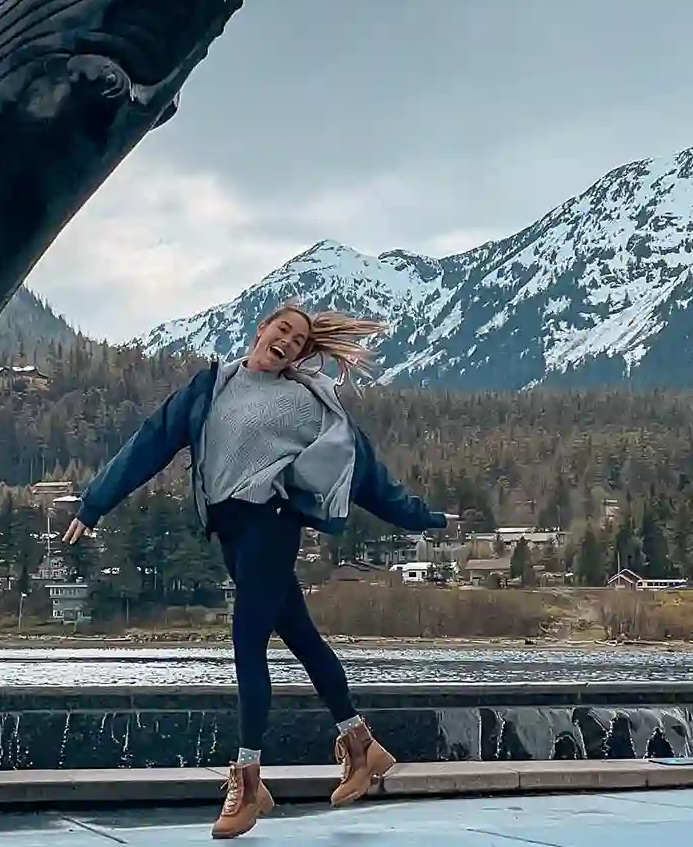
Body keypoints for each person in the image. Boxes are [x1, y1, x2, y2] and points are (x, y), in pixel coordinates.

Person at [62, 302, 452, 839]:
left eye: (298, 341)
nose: (288, 341)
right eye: (283, 330)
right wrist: (94, 502)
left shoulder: (308, 403)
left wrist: (422, 518)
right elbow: (149, 444)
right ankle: (361, 744)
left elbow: (366, 474)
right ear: (261, 329)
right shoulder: (211, 387)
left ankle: (247, 778)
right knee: (302, 638)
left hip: (272, 522)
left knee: (247, 639)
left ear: (302, 355)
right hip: (231, 534)